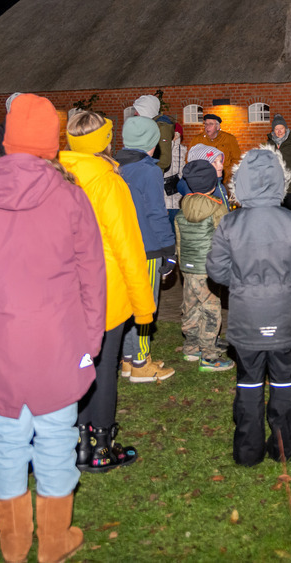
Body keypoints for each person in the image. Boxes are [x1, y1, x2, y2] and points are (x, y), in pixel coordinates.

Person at [0, 94, 105, 563]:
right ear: (51, 142)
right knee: (57, 438)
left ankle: (15, 544)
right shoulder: (70, 196)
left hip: (1, 340)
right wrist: (90, 340)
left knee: (7, 442)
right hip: (59, 340)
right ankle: (53, 542)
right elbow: (92, 275)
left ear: (8, 140)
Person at [207, 146, 291, 466]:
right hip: (282, 316)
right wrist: (284, 281)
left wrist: (241, 283)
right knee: (284, 381)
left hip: (246, 316)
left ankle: (248, 451)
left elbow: (215, 269)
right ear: (280, 179)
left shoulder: (230, 223)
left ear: (241, 181)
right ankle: (285, 449)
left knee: (248, 383)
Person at [59, 111, 157, 472]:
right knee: (102, 367)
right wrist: (143, 305)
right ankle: (101, 445)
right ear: (104, 141)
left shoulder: (56, 176)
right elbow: (127, 247)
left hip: (66, 289)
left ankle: (78, 441)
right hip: (104, 291)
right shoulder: (108, 182)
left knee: (78, 364)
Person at [115, 117, 177, 383]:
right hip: (148, 248)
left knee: (128, 304)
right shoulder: (149, 170)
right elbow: (156, 212)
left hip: (123, 246)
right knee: (145, 305)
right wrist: (169, 249)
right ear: (152, 142)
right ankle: (141, 362)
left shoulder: (116, 167)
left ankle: (128, 359)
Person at [175, 160, 234, 371]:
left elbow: (179, 240)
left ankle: (192, 347)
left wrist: (182, 264)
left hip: (188, 268)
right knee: (211, 309)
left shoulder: (183, 208)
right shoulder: (217, 208)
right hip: (209, 268)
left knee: (190, 306)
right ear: (212, 183)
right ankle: (209, 354)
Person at [188, 113, 242, 184]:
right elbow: (189, 159)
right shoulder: (197, 140)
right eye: (206, 124)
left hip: (224, 180)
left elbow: (237, 160)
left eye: (211, 124)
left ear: (218, 127)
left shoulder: (229, 139)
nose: (207, 127)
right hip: (203, 180)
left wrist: (225, 173)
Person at [181, 144, 231, 209]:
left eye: (221, 161)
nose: (221, 166)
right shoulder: (202, 189)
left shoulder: (218, 183)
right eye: (214, 162)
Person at [163, 124, 187, 230]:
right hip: (165, 197)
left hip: (178, 196)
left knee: (176, 228)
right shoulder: (164, 150)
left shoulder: (184, 150)